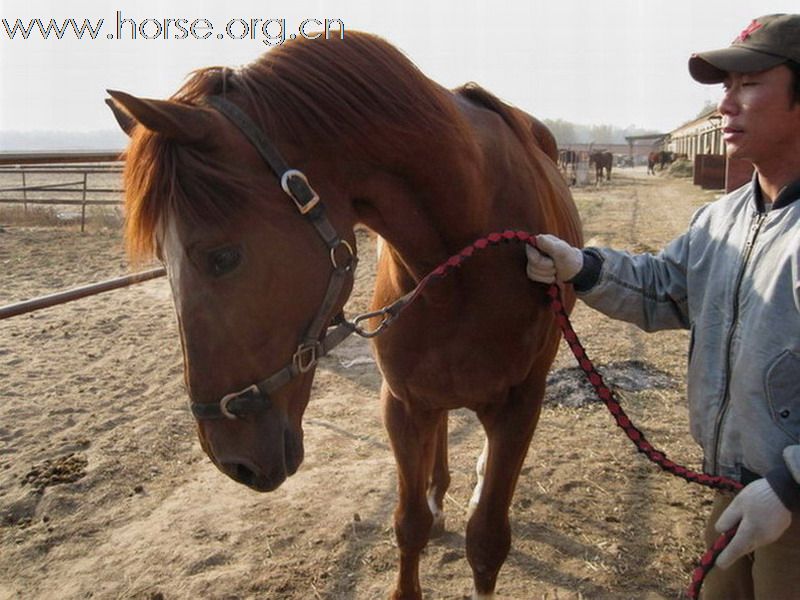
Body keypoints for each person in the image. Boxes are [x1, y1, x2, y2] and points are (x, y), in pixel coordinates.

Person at [526, 14, 800, 600]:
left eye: (748, 84)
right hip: (735, 487)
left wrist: (790, 485)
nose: (724, 105)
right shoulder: (722, 219)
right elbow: (669, 289)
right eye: (724, 87)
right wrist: (584, 267)